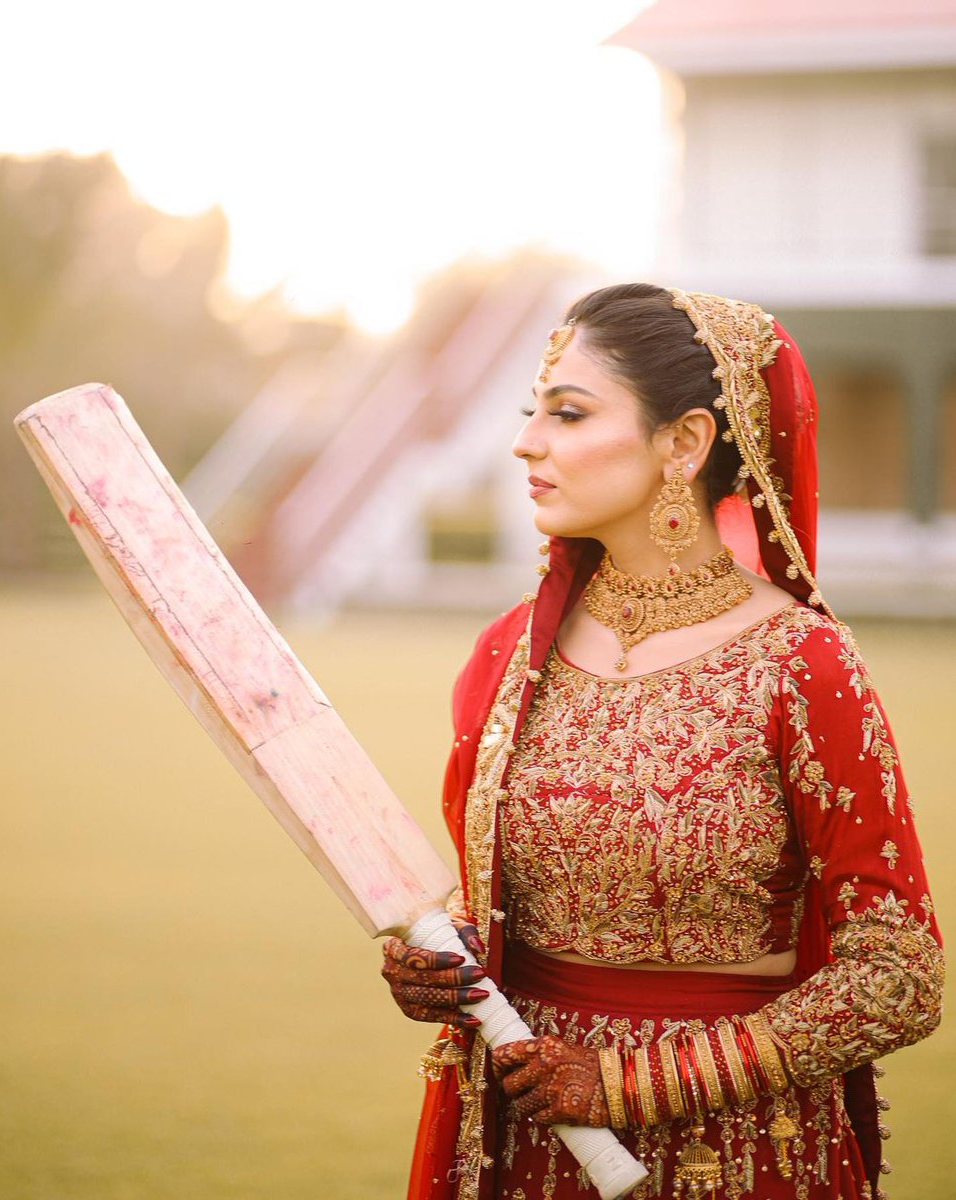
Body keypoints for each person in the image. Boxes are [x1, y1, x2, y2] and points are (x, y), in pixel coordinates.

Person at [380, 284, 944, 1200]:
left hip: (738, 1144)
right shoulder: (509, 653)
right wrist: (441, 965)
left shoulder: (802, 665)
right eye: (534, 414)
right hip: (530, 1130)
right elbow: (495, 903)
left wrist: (630, 1086)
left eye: (567, 414)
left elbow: (898, 976)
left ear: (683, 443)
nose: (527, 442)